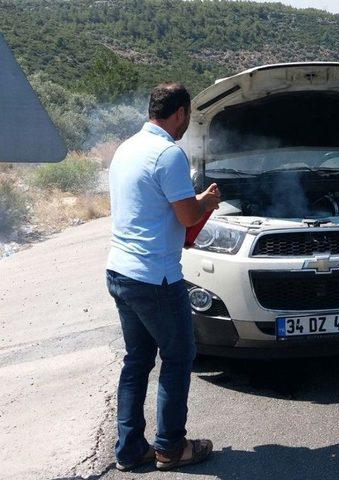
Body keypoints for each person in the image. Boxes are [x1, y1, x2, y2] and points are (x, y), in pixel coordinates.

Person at [106, 82, 221, 470]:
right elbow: (187, 216)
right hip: (155, 278)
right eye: (187, 117)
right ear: (180, 114)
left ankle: (129, 450)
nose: (186, 123)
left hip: (120, 271)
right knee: (178, 356)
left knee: (137, 360)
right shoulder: (169, 154)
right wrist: (205, 200)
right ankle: (171, 447)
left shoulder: (126, 148)